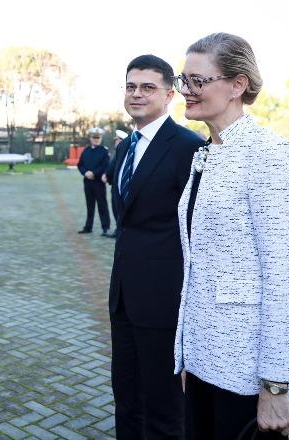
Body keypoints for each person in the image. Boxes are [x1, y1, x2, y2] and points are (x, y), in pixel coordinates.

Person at [173, 33, 289, 439]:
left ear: (237, 84)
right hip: (202, 361)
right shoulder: (208, 152)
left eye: (198, 81)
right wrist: (185, 356)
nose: (187, 92)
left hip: (246, 371)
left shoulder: (267, 153)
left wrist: (276, 384)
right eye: (184, 80)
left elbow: (282, 278)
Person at [108, 54, 204, 439]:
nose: (137, 94)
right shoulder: (124, 147)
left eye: (148, 87)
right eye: (131, 86)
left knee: (163, 405)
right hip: (124, 298)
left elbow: (198, 229)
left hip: (164, 300)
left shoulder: (189, 148)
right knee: (126, 398)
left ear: (169, 94)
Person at [77, 127, 112, 237]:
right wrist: (85, 172)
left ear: (101, 138)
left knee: (102, 205)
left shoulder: (104, 151)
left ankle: (105, 228)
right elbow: (80, 164)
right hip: (87, 182)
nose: (96, 139)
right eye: (94, 137)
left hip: (98, 183)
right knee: (89, 205)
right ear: (90, 138)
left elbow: (106, 166)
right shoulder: (86, 150)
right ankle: (88, 227)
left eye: (98, 137)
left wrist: (94, 173)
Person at [102, 129, 129, 238]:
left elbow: (113, 167)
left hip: (117, 186)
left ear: (121, 140)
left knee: (117, 209)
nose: (115, 141)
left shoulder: (121, 151)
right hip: (115, 184)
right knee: (116, 209)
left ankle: (120, 231)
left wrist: (106, 176)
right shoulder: (118, 150)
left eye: (117, 139)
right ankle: (118, 230)